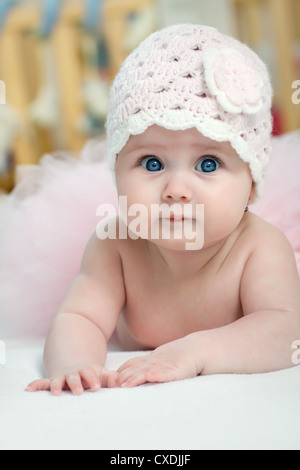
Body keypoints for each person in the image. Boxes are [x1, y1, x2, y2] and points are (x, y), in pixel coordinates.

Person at [26, 24, 300, 396]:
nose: (176, 191)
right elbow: (81, 317)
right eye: (152, 163)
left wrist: (194, 353)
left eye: (207, 164)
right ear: (117, 171)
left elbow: (287, 332)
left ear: (251, 182)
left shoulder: (260, 247)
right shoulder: (115, 245)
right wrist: (75, 362)